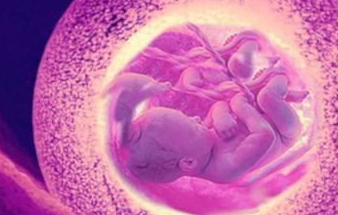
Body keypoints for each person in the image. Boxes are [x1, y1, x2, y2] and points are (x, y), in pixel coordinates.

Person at [108, 73, 290, 184]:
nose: (196, 118)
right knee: (267, 97)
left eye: (189, 118)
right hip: (282, 131)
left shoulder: (203, 143)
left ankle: (275, 85)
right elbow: (265, 136)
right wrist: (241, 107)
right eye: (193, 126)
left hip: (258, 116)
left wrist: (221, 116)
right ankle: (285, 77)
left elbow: (218, 106)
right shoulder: (225, 170)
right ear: (188, 162)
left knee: (255, 95)